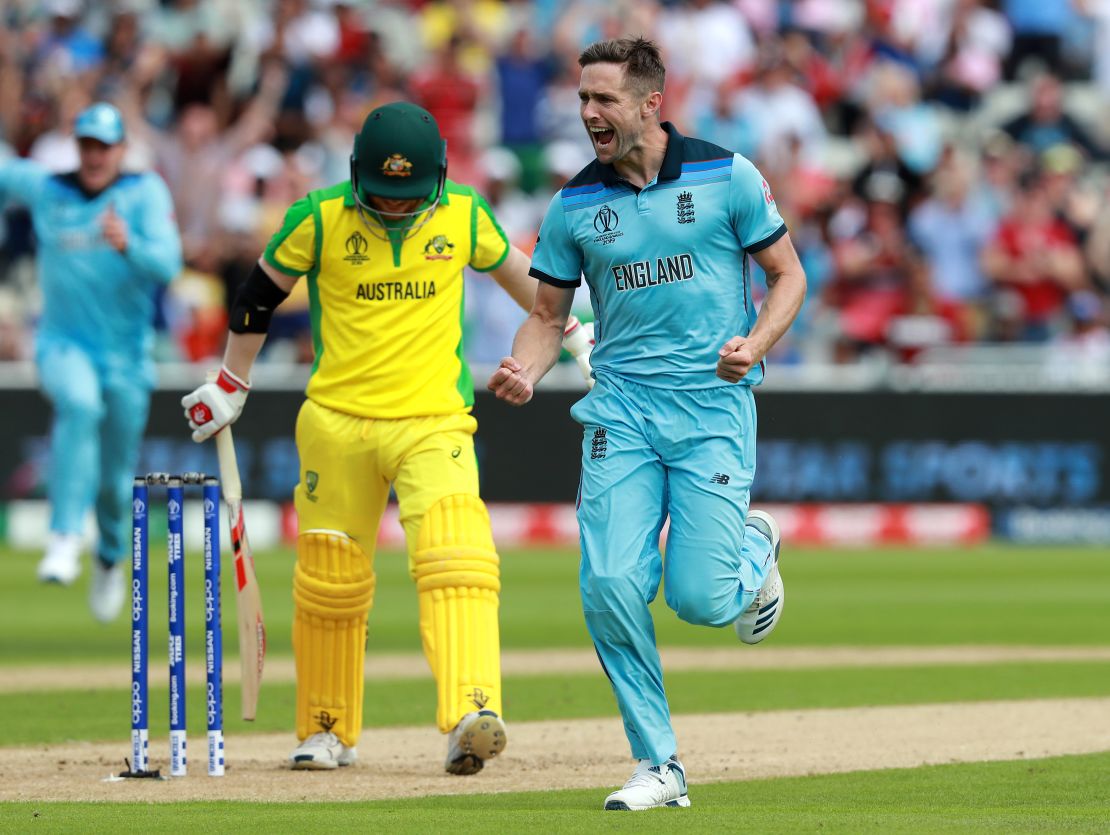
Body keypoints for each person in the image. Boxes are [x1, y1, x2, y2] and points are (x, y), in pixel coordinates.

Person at [181, 101, 592, 775]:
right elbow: (257, 295)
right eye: (382, 195)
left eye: (409, 197)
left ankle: (470, 711)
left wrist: (576, 335)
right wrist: (233, 383)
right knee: (329, 579)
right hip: (337, 422)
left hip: (434, 420)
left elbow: (525, 279)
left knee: (458, 555)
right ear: (355, 175)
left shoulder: (462, 212)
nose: (396, 208)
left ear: (438, 175)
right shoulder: (317, 215)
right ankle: (327, 727)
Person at [488, 38, 807, 811]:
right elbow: (546, 314)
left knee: (700, 599)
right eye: (583, 100)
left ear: (649, 104)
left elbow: (789, 275)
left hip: (711, 409)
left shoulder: (726, 176)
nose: (590, 114)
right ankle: (658, 764)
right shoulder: (572, 205)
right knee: (608, 582)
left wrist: (755, 344)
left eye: (604, 100)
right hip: (620, 411)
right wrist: (523, 367)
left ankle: (753, 545)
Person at [0, 102, 182, 622]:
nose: (94, 155)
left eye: (104, 146)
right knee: (77, 405)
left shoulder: (143, 192)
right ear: (76, 147)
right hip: (61, 342)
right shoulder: (48, 188)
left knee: (113, 478)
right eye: (86, 145)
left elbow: (168, 264)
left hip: (126, 355)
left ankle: (108, 556)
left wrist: (131, 245)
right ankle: (62, 537)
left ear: (121, 149)